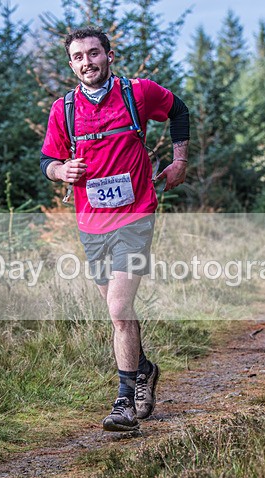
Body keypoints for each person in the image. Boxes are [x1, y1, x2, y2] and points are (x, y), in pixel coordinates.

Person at [40, 27, 190, 432]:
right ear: (71, 64)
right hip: (91, 224)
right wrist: (61, 171)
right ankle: (143, 370)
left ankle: (123, 402)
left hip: (137, 215)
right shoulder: (64, 110)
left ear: (109, 55)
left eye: (94, 53)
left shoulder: (137, 93)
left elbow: (179, 110)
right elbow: (48, 161)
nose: (87, 62)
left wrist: (179, 161)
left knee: (119, 309)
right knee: (117, 311)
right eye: (78, 57)